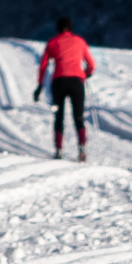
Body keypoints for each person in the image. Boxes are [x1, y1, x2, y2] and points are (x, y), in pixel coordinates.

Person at [34, 16, 94, 159]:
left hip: (59, 82)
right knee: (78, 116)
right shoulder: (80, 42)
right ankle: (82, 149)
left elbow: (43, 66)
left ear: (58, 28)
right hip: (77, 82)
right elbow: (91, 64)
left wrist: (40, 85)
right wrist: (86, 74)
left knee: (58, 116)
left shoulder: (53, 42)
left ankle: (59, 150)